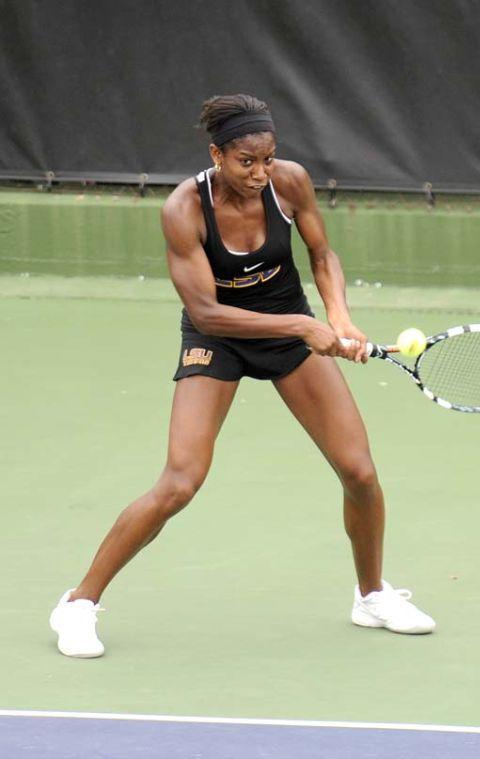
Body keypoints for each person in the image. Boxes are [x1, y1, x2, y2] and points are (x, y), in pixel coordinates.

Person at [49, 94, 435, 657]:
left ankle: (372, 595)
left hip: (289, 329)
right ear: (216, 155)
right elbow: (205, 312)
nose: (260, 173)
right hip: (218, 338)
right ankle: (78, 605)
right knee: (180, 481)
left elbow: (322, 255)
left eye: (268, 159)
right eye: (245, 162)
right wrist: (304, 327)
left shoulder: (290, 184)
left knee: (359, 472)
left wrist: (339, 316)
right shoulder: (183, 209)